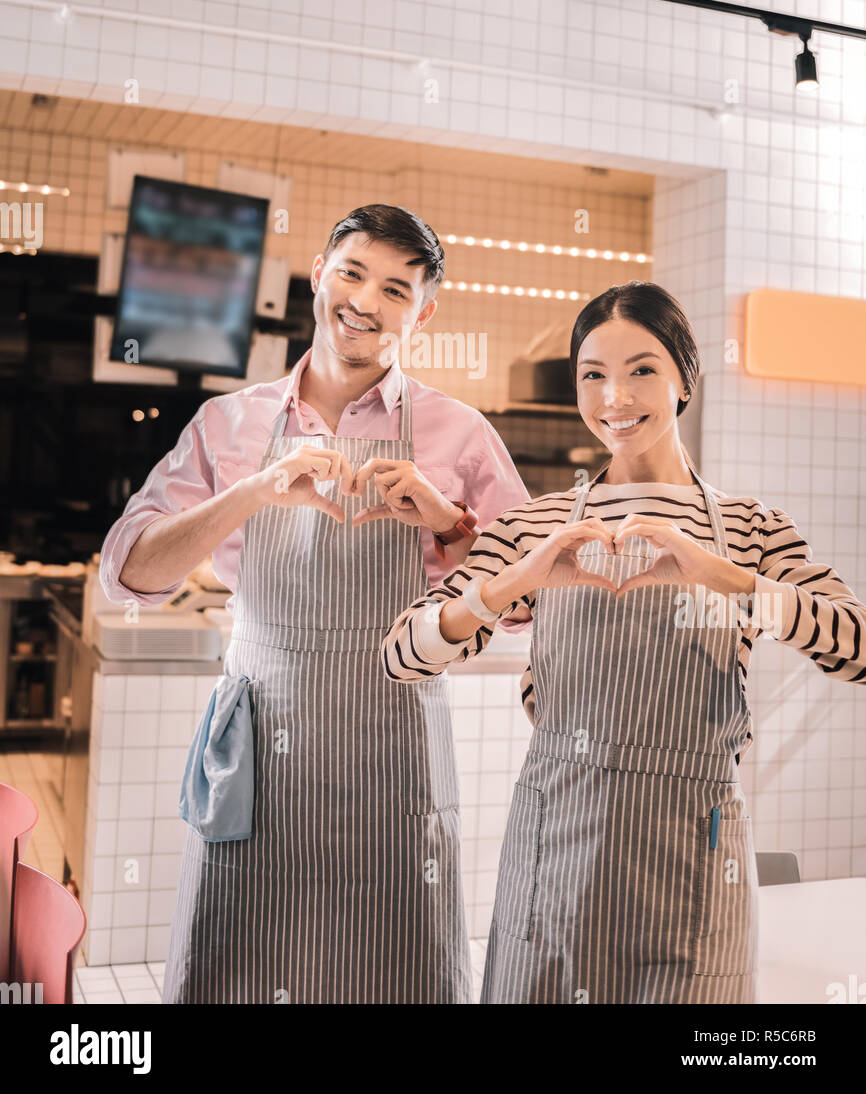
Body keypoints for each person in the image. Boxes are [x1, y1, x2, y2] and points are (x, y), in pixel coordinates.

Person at [383, 280, 866, 1004]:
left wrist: (728, 579)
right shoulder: (535, 526)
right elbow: (402, 655)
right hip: (554, 858)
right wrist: (512, 581)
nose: (616, 395)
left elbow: (858, 648)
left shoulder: (751, 530)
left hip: (695, 864)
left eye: (642, 368)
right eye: (593, 374)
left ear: (684, 378)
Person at [100, 203, 529, 1004]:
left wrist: (449, 521)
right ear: (318, 275)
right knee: (237, 965)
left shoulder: (461, 433)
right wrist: (254, 491)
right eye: (353, 273)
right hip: (261, 753)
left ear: (423, 313)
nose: (366, 301)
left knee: (395, 972)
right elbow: (128, 573)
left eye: (396, 289)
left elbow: (528, 605)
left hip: (394, 755)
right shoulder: (229, 423)